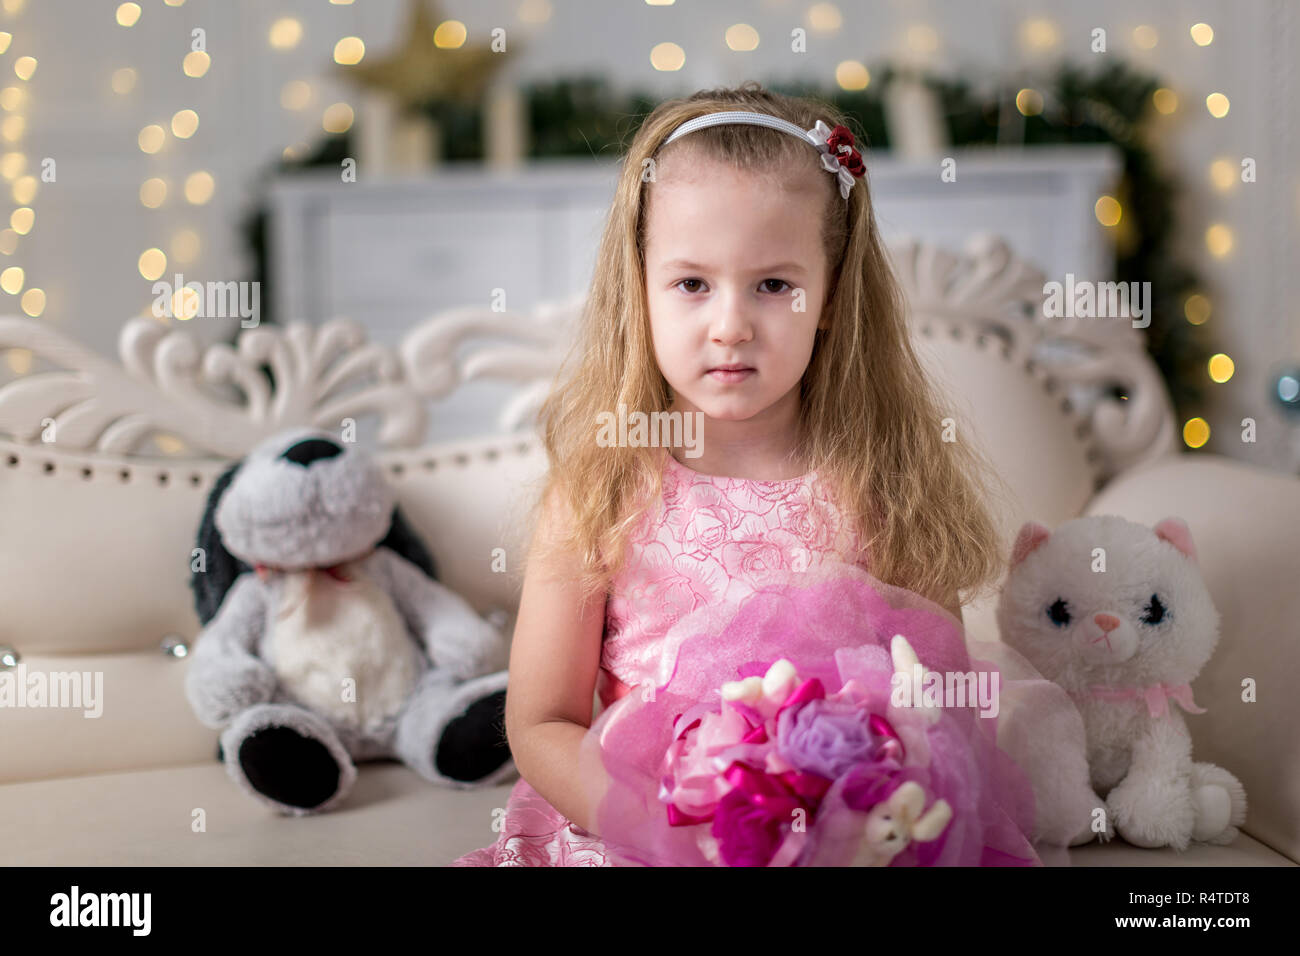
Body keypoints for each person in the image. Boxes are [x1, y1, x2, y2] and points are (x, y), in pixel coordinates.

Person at [451, 82, 1019, 866]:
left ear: (829, 295)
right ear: (639, 289)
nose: (730, 325)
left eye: (774, 285)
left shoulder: (881, 483)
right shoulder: (602, 491)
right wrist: (655, 826)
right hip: (643, 830)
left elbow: (941, 703)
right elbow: (542, 721)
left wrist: (859, 820)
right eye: (691, 284)